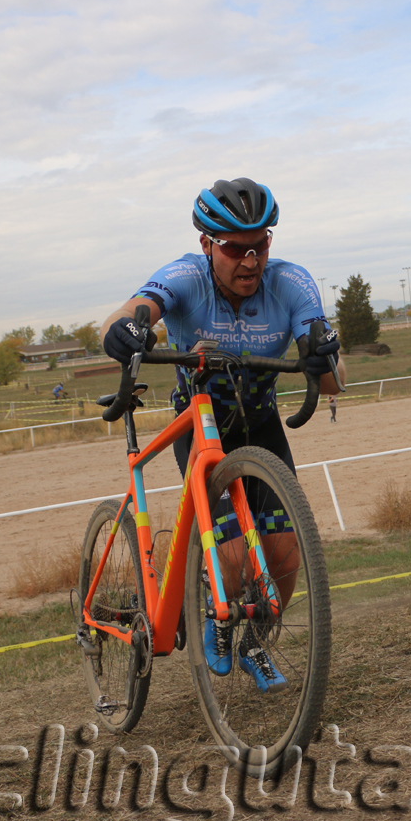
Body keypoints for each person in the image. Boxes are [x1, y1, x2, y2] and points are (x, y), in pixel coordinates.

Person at [100, 177, 344, 693]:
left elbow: (330, 379)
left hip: (260, 424)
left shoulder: (291, 283)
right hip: (202, 422)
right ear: (208, 244)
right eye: (236, 248)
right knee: (232, 555)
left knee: (284, 552)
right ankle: (215, 616)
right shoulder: (187, 276)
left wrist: (326, 357)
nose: (251, 260)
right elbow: (135, 309)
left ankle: (255, 636)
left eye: (261, 244)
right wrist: (128, 328)